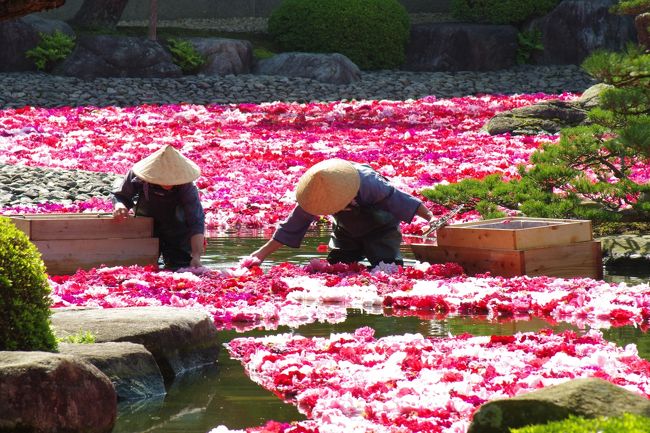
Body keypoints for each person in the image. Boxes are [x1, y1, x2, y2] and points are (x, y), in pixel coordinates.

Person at [250, 158, 435, 268]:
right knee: (338, 266)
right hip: (345, 230)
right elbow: (292, 226)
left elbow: (403, 201)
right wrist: (260, 255)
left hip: (381, 228)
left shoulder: (369, 183)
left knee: (387, 267)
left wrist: (431, 218)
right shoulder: (315, 193)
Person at [112, 145, 206, 270]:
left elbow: (196, 221)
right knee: (145, 266)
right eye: (164, 179)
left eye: (172, 180)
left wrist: (196, 256)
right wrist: (120, 205)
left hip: (177, 230)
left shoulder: (187, 187)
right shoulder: (139, 175)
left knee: (179, 265)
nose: (168, 183)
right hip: (147, 226)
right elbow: (121, 196)